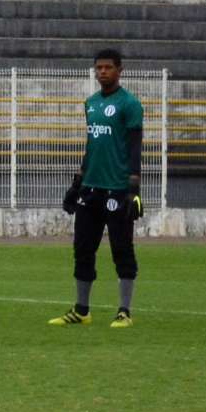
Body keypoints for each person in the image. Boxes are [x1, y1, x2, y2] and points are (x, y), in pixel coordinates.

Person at [55, 48, 144, 328]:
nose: (102, 72)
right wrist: (77, 183)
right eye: (98, 68)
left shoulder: (129, 104)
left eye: (108, 67)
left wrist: (134, 188)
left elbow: (134, 147)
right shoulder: (90, 103)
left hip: (117, 189)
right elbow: (92, 146)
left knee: (122, 249)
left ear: (120, 70)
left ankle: (124, 311)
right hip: (91, 188)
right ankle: (82, 311)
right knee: (82, 248)